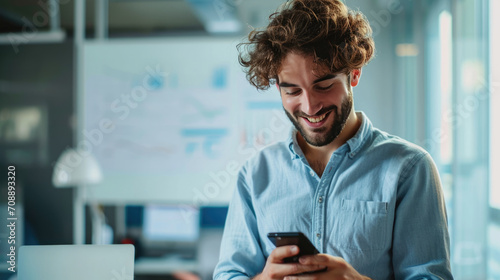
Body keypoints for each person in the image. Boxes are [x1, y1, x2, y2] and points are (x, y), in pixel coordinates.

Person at [213, 0, 453, 279]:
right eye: (292, 91)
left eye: (323, 86)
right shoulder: (256, 174)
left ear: (354, 74)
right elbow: (229, 274)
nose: (309, 106)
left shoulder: (408, 168)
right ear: (278, 87)